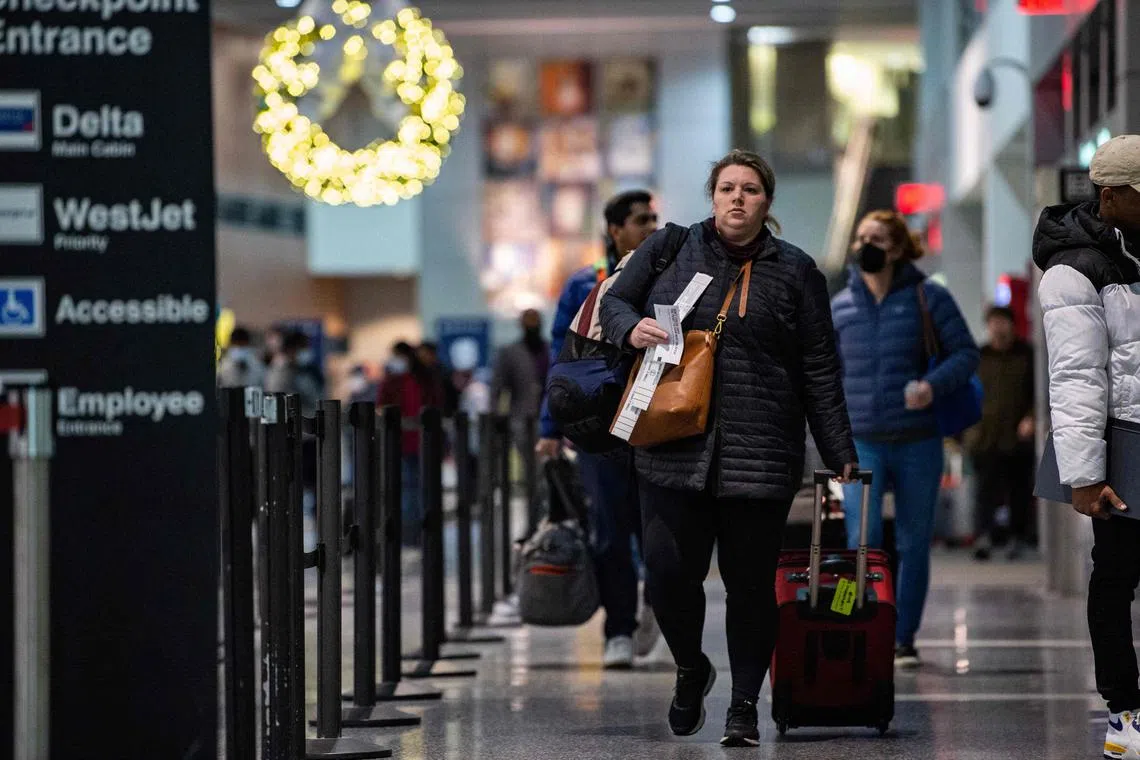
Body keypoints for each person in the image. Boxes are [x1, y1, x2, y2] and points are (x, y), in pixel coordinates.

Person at [599, 149, 858, 746]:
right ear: (712, 196)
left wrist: (838, 447)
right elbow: (612, 301)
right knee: (666, 573)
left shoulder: (796, 271)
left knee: (749, 585)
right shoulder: (669, 249)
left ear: (767, 202)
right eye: (726, 189)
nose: (737, 198)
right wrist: (628, 327)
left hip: (760, 451)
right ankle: (691, 666)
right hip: (671, 443)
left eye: (750, 190)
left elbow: (820, 367)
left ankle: (744, 705)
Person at [831, 210, 979, 669]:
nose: (865, 246)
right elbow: (825, 376)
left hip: (918, 439)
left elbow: (966, 353)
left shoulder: (927, 298)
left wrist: (931, 386)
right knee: (861, 537)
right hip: (861, 440)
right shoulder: (839, 308)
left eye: (875, 238)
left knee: (914, 542)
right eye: (860, 238)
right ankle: (852, 619)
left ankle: (903, 637)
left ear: (896, 248)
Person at [1034, 135, 1140, 760]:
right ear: (1111, 197)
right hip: (1123, 443)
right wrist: (1081, 475)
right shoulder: (1075, 266)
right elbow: (1077, 377)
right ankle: (1125, 713)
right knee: (1118, 576)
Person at [537, 190, 661, 669]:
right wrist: (551, 425)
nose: (651, 225)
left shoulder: (670, 278)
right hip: (600, 427)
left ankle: (658, 600)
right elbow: (561, 359)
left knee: (659, 528)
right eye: (639, 219)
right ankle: (619, 629)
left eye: (654, 218)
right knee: (610, 531)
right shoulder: (584, 285)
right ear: (615, 230)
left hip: (658, 422)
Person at [965, 306, 1035, 561]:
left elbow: (1039, 392)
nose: (998, 327)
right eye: (993, 322)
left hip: (1018, 438)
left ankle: (1016, 537)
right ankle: (983, 535)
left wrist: (1032, 418)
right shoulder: (979, 357)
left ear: (1011, 325)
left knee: (1019, 490)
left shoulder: (1027, 355)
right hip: (985, 437)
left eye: (1002, 321)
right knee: (984, 492)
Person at [379, 341, 444, 546]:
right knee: (408, 490)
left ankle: (418, 534)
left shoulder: (424, 379)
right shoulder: (392, 381)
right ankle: (410, 535)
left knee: (419, 490)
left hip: (422, 443)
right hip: (401, 444)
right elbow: (381, 406)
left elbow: (436, 406)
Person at [491, 309, 548, 445]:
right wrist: (496, 414)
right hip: (520, 417)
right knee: (527, 460)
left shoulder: (549, 350)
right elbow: (498, 387)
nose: (532, 328)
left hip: (548, 417)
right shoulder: (510, 353)